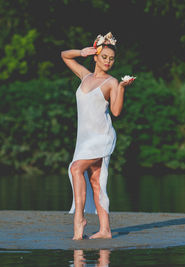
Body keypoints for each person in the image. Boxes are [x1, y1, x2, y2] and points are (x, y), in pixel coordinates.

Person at [61, 32, 135, 240]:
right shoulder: (85, 75)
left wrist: (121, 88)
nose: (108, 62)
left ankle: (79, 219)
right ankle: (105, 230)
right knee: (96, 182)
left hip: (102, 138)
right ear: (96, 57)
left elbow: (117, 111)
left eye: (111, 59)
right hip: (84, 140)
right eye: (104, 57)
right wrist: (82, 52)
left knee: (76, 168)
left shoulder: (112, 82)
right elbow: (64, 55)